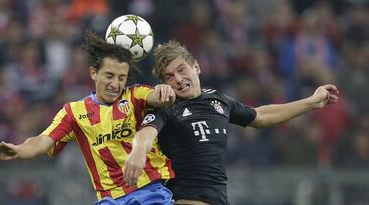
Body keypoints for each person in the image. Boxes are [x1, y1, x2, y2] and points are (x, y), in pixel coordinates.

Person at [123, 41, 339, 205]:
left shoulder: (218, 100)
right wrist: (138, 151)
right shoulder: (166, 107)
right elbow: (147, 131)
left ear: (196, 67)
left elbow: (260, 116)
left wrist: (312, 102)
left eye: (182, 70)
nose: (178, 79)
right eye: (169, 76)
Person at [0, 30, 177, 205]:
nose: (115, 84)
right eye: (109, 76)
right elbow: (42, 141)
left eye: (121, 78)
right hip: (111, 199)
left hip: (150, 192)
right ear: (93, 73)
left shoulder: (136, 95)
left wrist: (165, 90)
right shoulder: (74, 112)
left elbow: (161, 98)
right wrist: (19, 150)